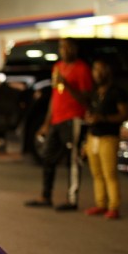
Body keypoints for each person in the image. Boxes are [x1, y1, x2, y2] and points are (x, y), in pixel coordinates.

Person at [26, 39, 93, 211]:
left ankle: (72, 200)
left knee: (73, 159)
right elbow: (55, 96)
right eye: (62, 47)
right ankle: (46, 195)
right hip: (56, 119)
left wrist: (67, 84)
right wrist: (46, 123)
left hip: (73, 118)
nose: (64, 50)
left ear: (75, 49)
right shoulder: (58, 67)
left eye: (68, 47)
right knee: (48, 156)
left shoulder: (82, 69)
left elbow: (86, 98)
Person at [82, 59, 128, 219]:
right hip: (93, 136)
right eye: (95, 70)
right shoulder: (95, 93)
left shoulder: (117, 92)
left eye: (100, 70)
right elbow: (91, 113)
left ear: (108, 72)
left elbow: (124, 115)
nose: (97, 74)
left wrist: (103, 118)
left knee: (109, 173)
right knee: (96, 173)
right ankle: (100, 204)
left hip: (109, 137)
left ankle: (114, 206)